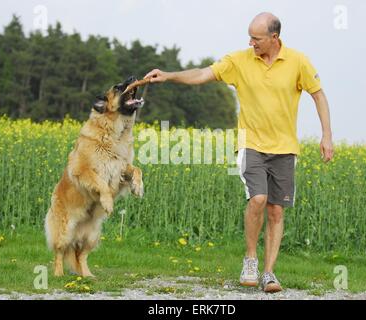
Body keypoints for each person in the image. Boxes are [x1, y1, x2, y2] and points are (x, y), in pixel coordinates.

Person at [143, 12, 334, 293]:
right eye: (250, 36)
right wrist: (169, 76)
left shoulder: (298, 61)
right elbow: (202, 74)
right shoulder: (238, 61)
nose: (251, 42)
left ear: (274, 38)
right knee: (258, 198)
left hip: (284, 148)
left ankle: (269, 273)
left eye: (256, 38)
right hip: (251, 144)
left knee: (276, 210)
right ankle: (250, 260)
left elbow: (318, 94)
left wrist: (326, 135)